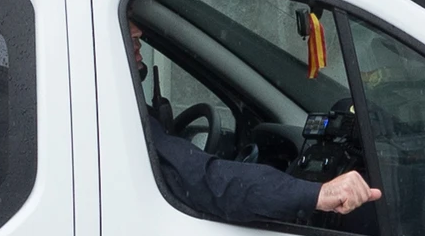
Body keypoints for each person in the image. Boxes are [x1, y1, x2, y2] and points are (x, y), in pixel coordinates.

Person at [129, 20, 379, 223]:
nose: (138, 30)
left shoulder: (120, 108)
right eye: (129, 19)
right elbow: (204, 181)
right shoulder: (121, 119)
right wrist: (317, 193)